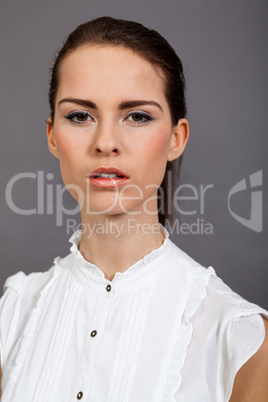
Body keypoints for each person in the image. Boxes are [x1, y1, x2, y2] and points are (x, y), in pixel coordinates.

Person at [0, 16, 267, 402]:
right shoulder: (12, 315)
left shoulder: (240, 341)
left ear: (176, 138)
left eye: (137, 116)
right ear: (52, 135)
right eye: (80, 116)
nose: (106, 142)